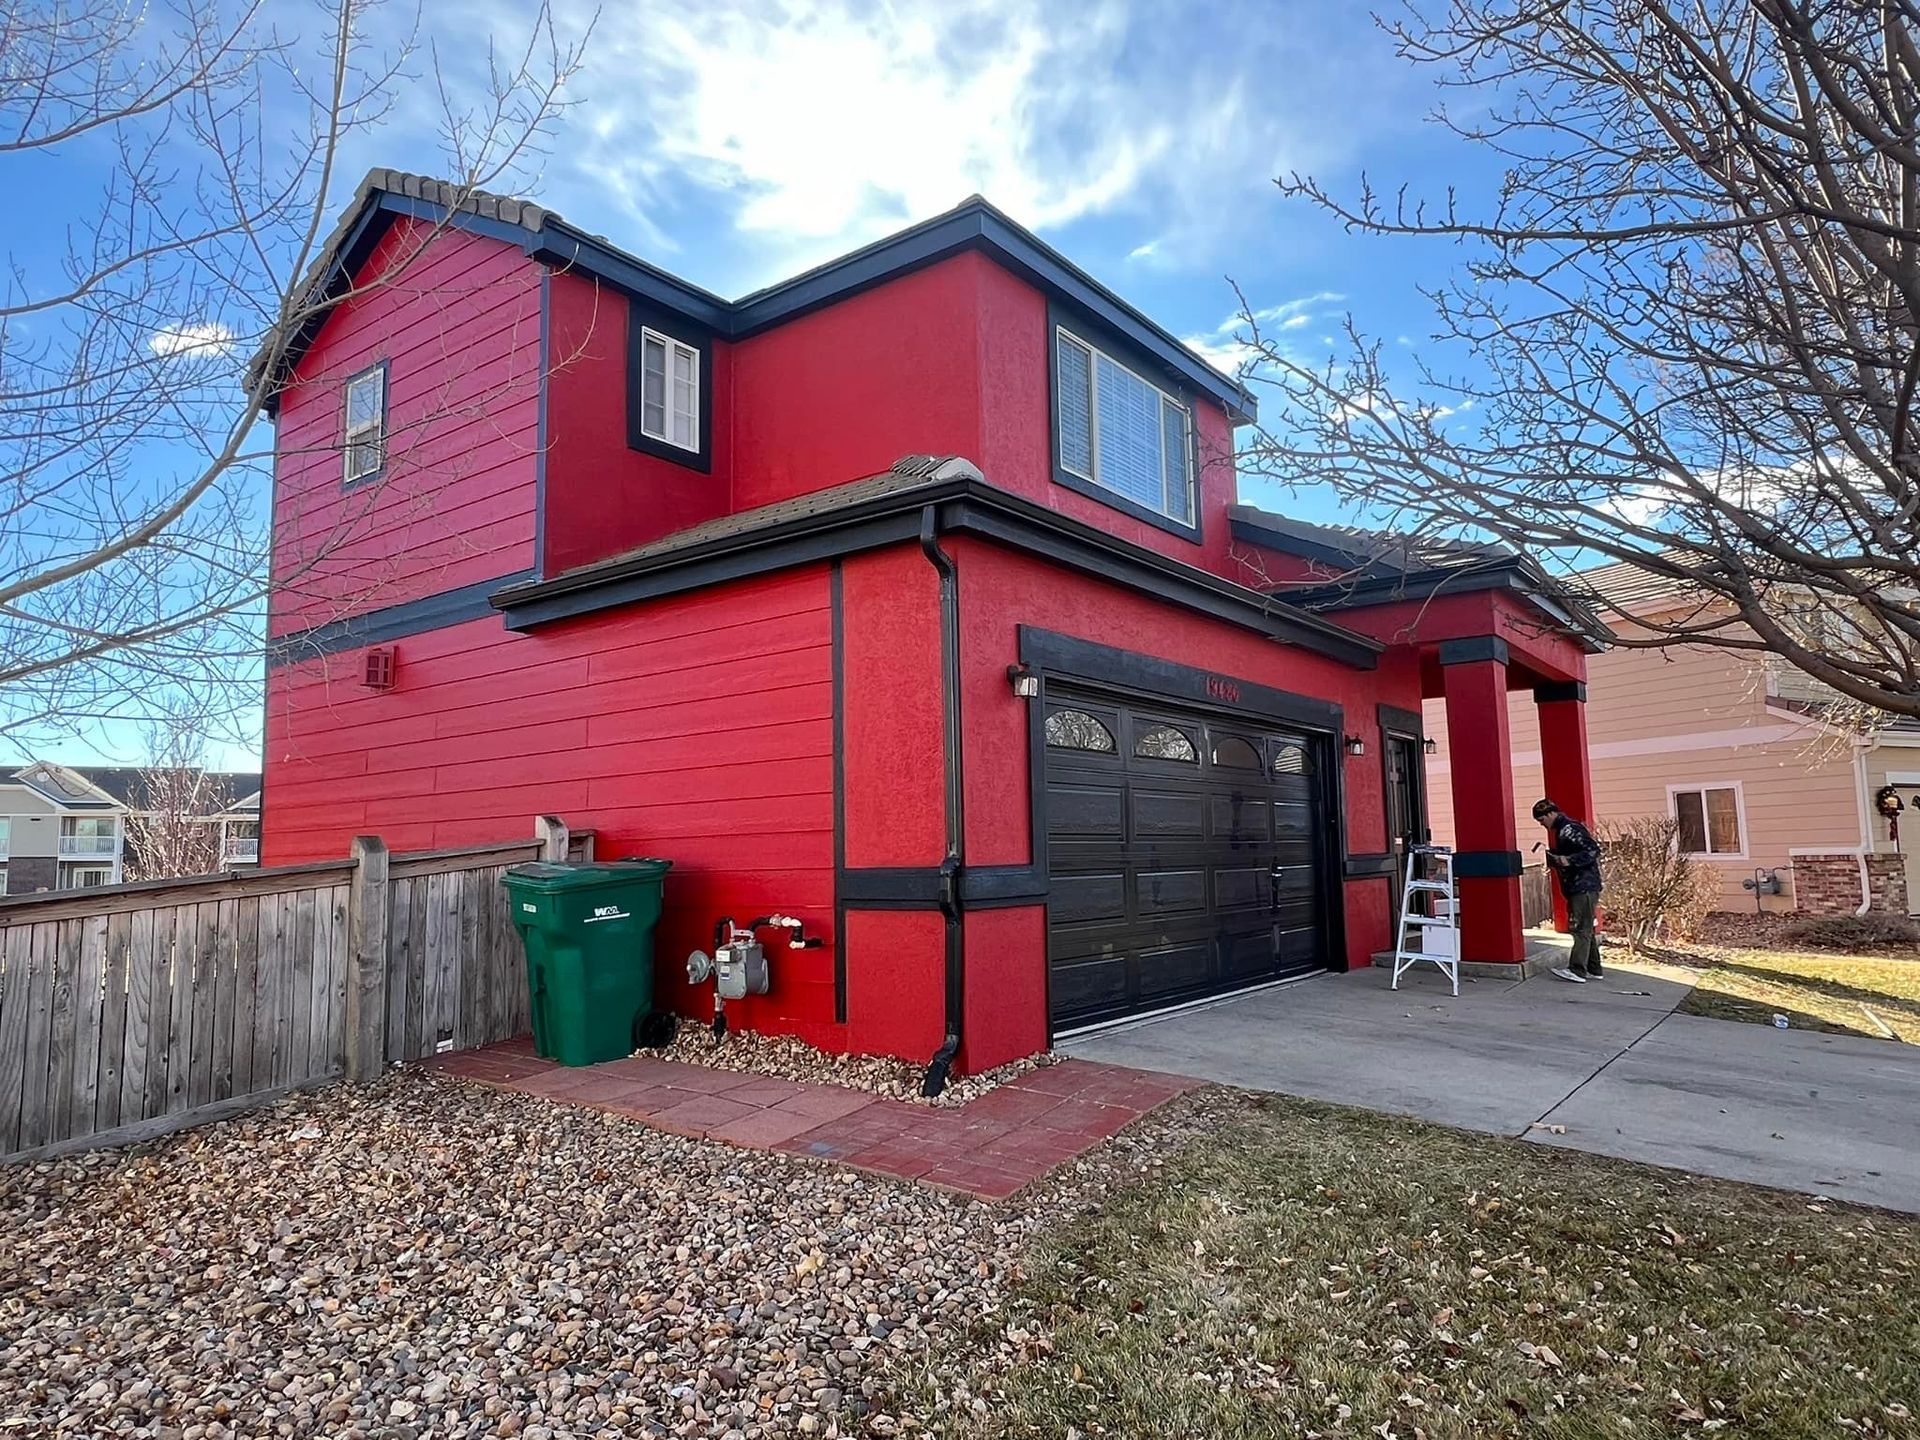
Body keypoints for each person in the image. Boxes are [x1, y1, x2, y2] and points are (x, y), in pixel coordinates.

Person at [1533, 797, 1604, 983]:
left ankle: (1577, 970)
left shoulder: (1569, 829)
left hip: (1584, 885)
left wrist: (1568, 860)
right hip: (1579, 885)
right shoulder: (1562, 830)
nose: (1542, 824)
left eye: (1542, 820)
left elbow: (1593, 849)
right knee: (1586, 927)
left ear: (1550, 813)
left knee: (1580, 928)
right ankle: (1594, 968)